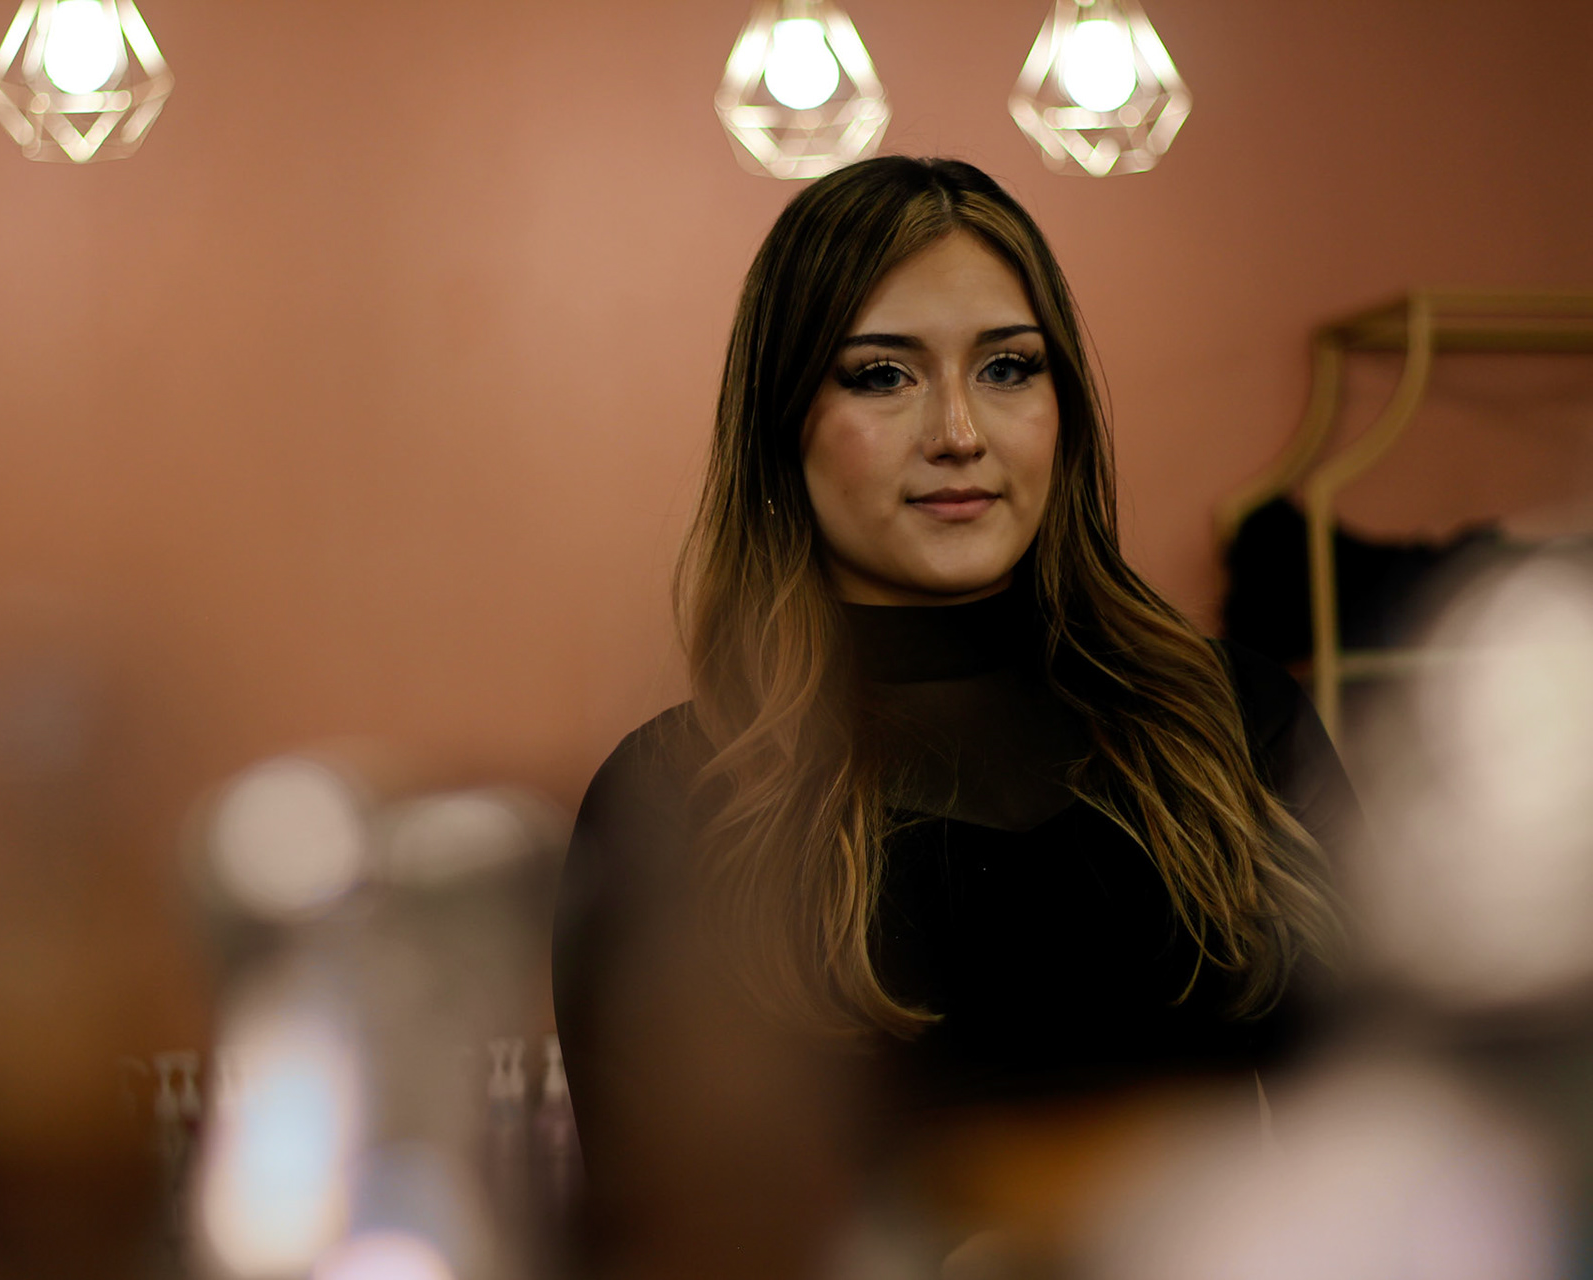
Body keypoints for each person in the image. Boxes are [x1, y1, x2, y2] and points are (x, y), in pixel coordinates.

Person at [551, 156, 1359, 1277]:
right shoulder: (675, 799)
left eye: (1009, 367)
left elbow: (1398, 1148)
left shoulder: (1231, 722)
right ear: (782, 424)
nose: (959, 432)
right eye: (882, 375)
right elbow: (660, 1242)